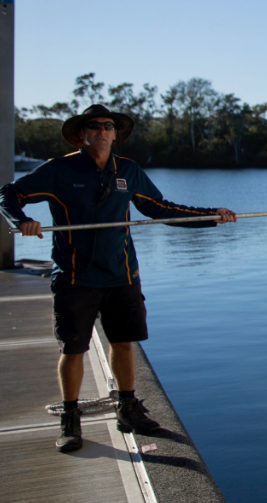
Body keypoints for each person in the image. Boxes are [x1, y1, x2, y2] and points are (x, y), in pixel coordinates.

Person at [0, 105, 237, 452]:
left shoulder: (127, 171)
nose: (101, 130)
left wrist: (210, 216)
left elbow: (160, 208)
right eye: (93, 126)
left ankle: (128, 409)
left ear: (115, 134)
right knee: (74, 348)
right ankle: (70, 419)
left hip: (121, 275)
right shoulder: (60, 169)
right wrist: (20, 220)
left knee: (124, 343)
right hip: (75, 276)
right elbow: (9, 193)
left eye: (107, 126)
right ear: (82, 134)